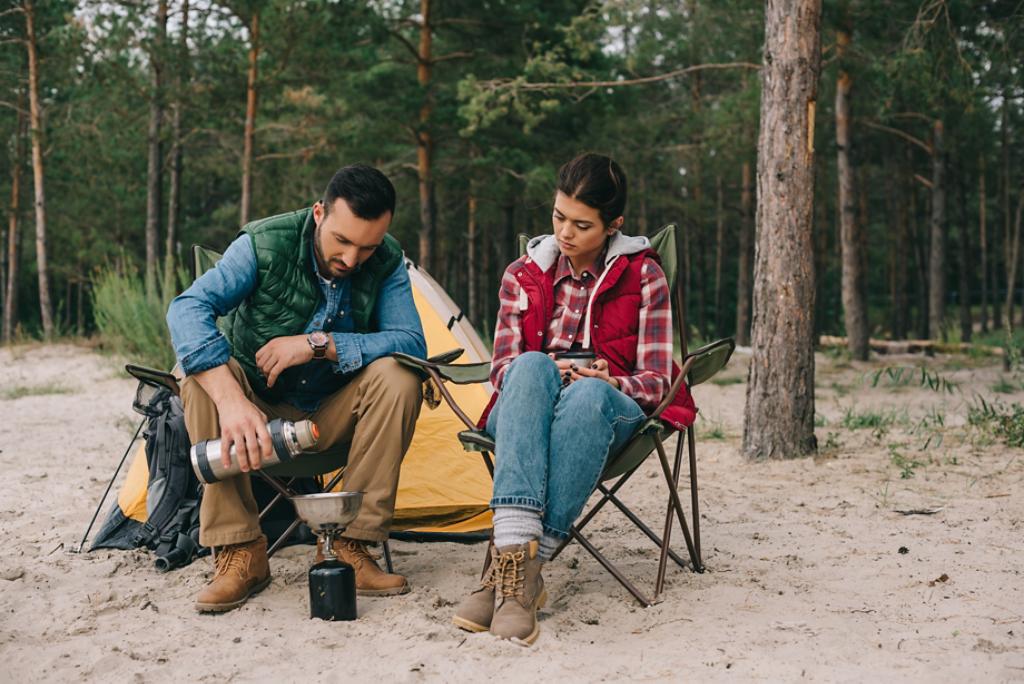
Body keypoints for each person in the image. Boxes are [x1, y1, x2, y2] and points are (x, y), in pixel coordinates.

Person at [452, 153, 695, 645]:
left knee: (586, 395)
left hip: (605, 413)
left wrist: (612, 382)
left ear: (614, 226)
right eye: (559, 217)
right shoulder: (521, 274)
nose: (565, 233)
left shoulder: (643, 276)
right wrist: (546, 368)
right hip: (526, 408)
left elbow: (655, 379)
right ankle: (521, 570)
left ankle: (508, 568)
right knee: (531, 365)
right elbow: (501, 370)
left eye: (582, 225)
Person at [166, 164, 427, 613]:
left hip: (332, 417)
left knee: (400, 375)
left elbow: (411, 342)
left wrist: (318, 345)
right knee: (200, 376)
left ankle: (352, 545)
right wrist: (231, 402)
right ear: (319, 213)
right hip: (254, 418)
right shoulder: (264, 244)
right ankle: (241, 551)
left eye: (365, 247)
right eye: (341, 241)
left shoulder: (385, 260)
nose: (351, 259)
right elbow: (186, 309)